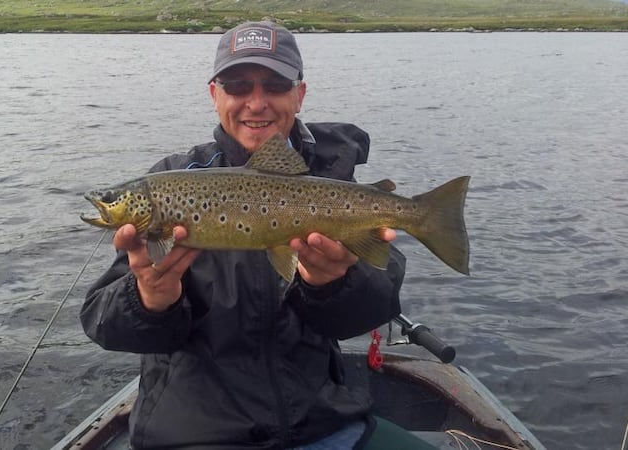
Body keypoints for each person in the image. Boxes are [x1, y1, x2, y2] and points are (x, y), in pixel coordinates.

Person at [81, 21, 437, 450]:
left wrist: (333, 287)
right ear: (215, 95)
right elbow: (101, 320)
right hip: (194, 437)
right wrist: (151, 302)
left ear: (299, 94)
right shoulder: (167, 182)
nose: (256, 103)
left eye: (275, 85)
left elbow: (375, 305)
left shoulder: (333, 181)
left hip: (324, 425)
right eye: (237, 85)